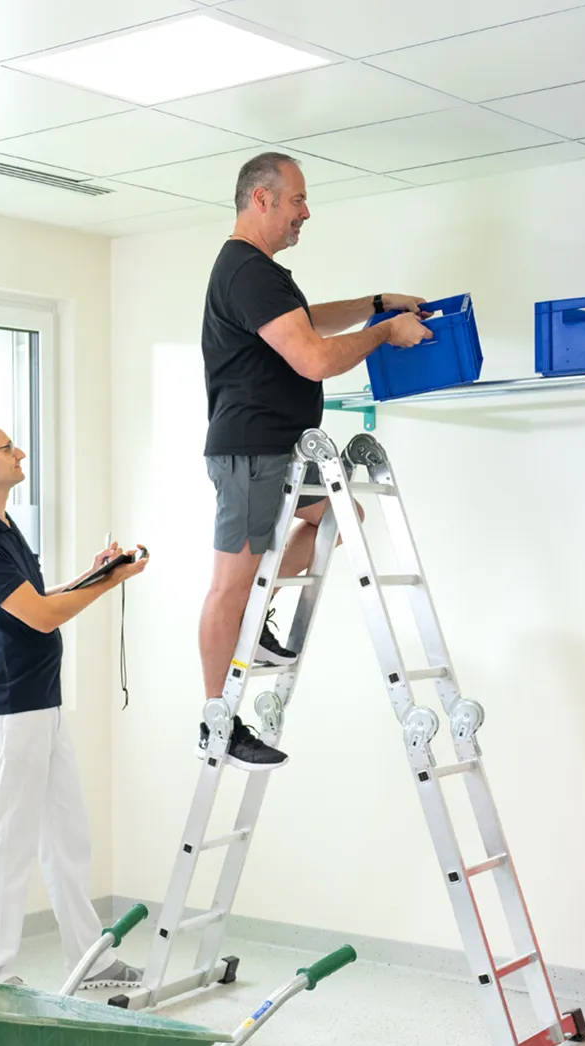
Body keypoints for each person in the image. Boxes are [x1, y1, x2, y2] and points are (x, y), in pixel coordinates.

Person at [199, 151, 431, 769]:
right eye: (297, 199)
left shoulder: (262, 273)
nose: (306, 212)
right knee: (228, 585)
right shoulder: (246, 270)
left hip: (278, 450)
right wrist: (384, 333)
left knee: (337, 515)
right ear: (262, 199)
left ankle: (258, 609)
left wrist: (375, 304)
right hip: (251, 453)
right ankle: (217, 719)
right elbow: (315, 358)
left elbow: (304, 323)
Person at [0, 421, 146, 990]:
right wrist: (108, 586)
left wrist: (97, 572)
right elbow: (40, 616)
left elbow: (39, 598)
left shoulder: (3, 527)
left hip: (42, 699)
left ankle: (91, 961)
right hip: (12, 704)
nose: (19, 452)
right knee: (7, 843)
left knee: (66, 837)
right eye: (8, 448)